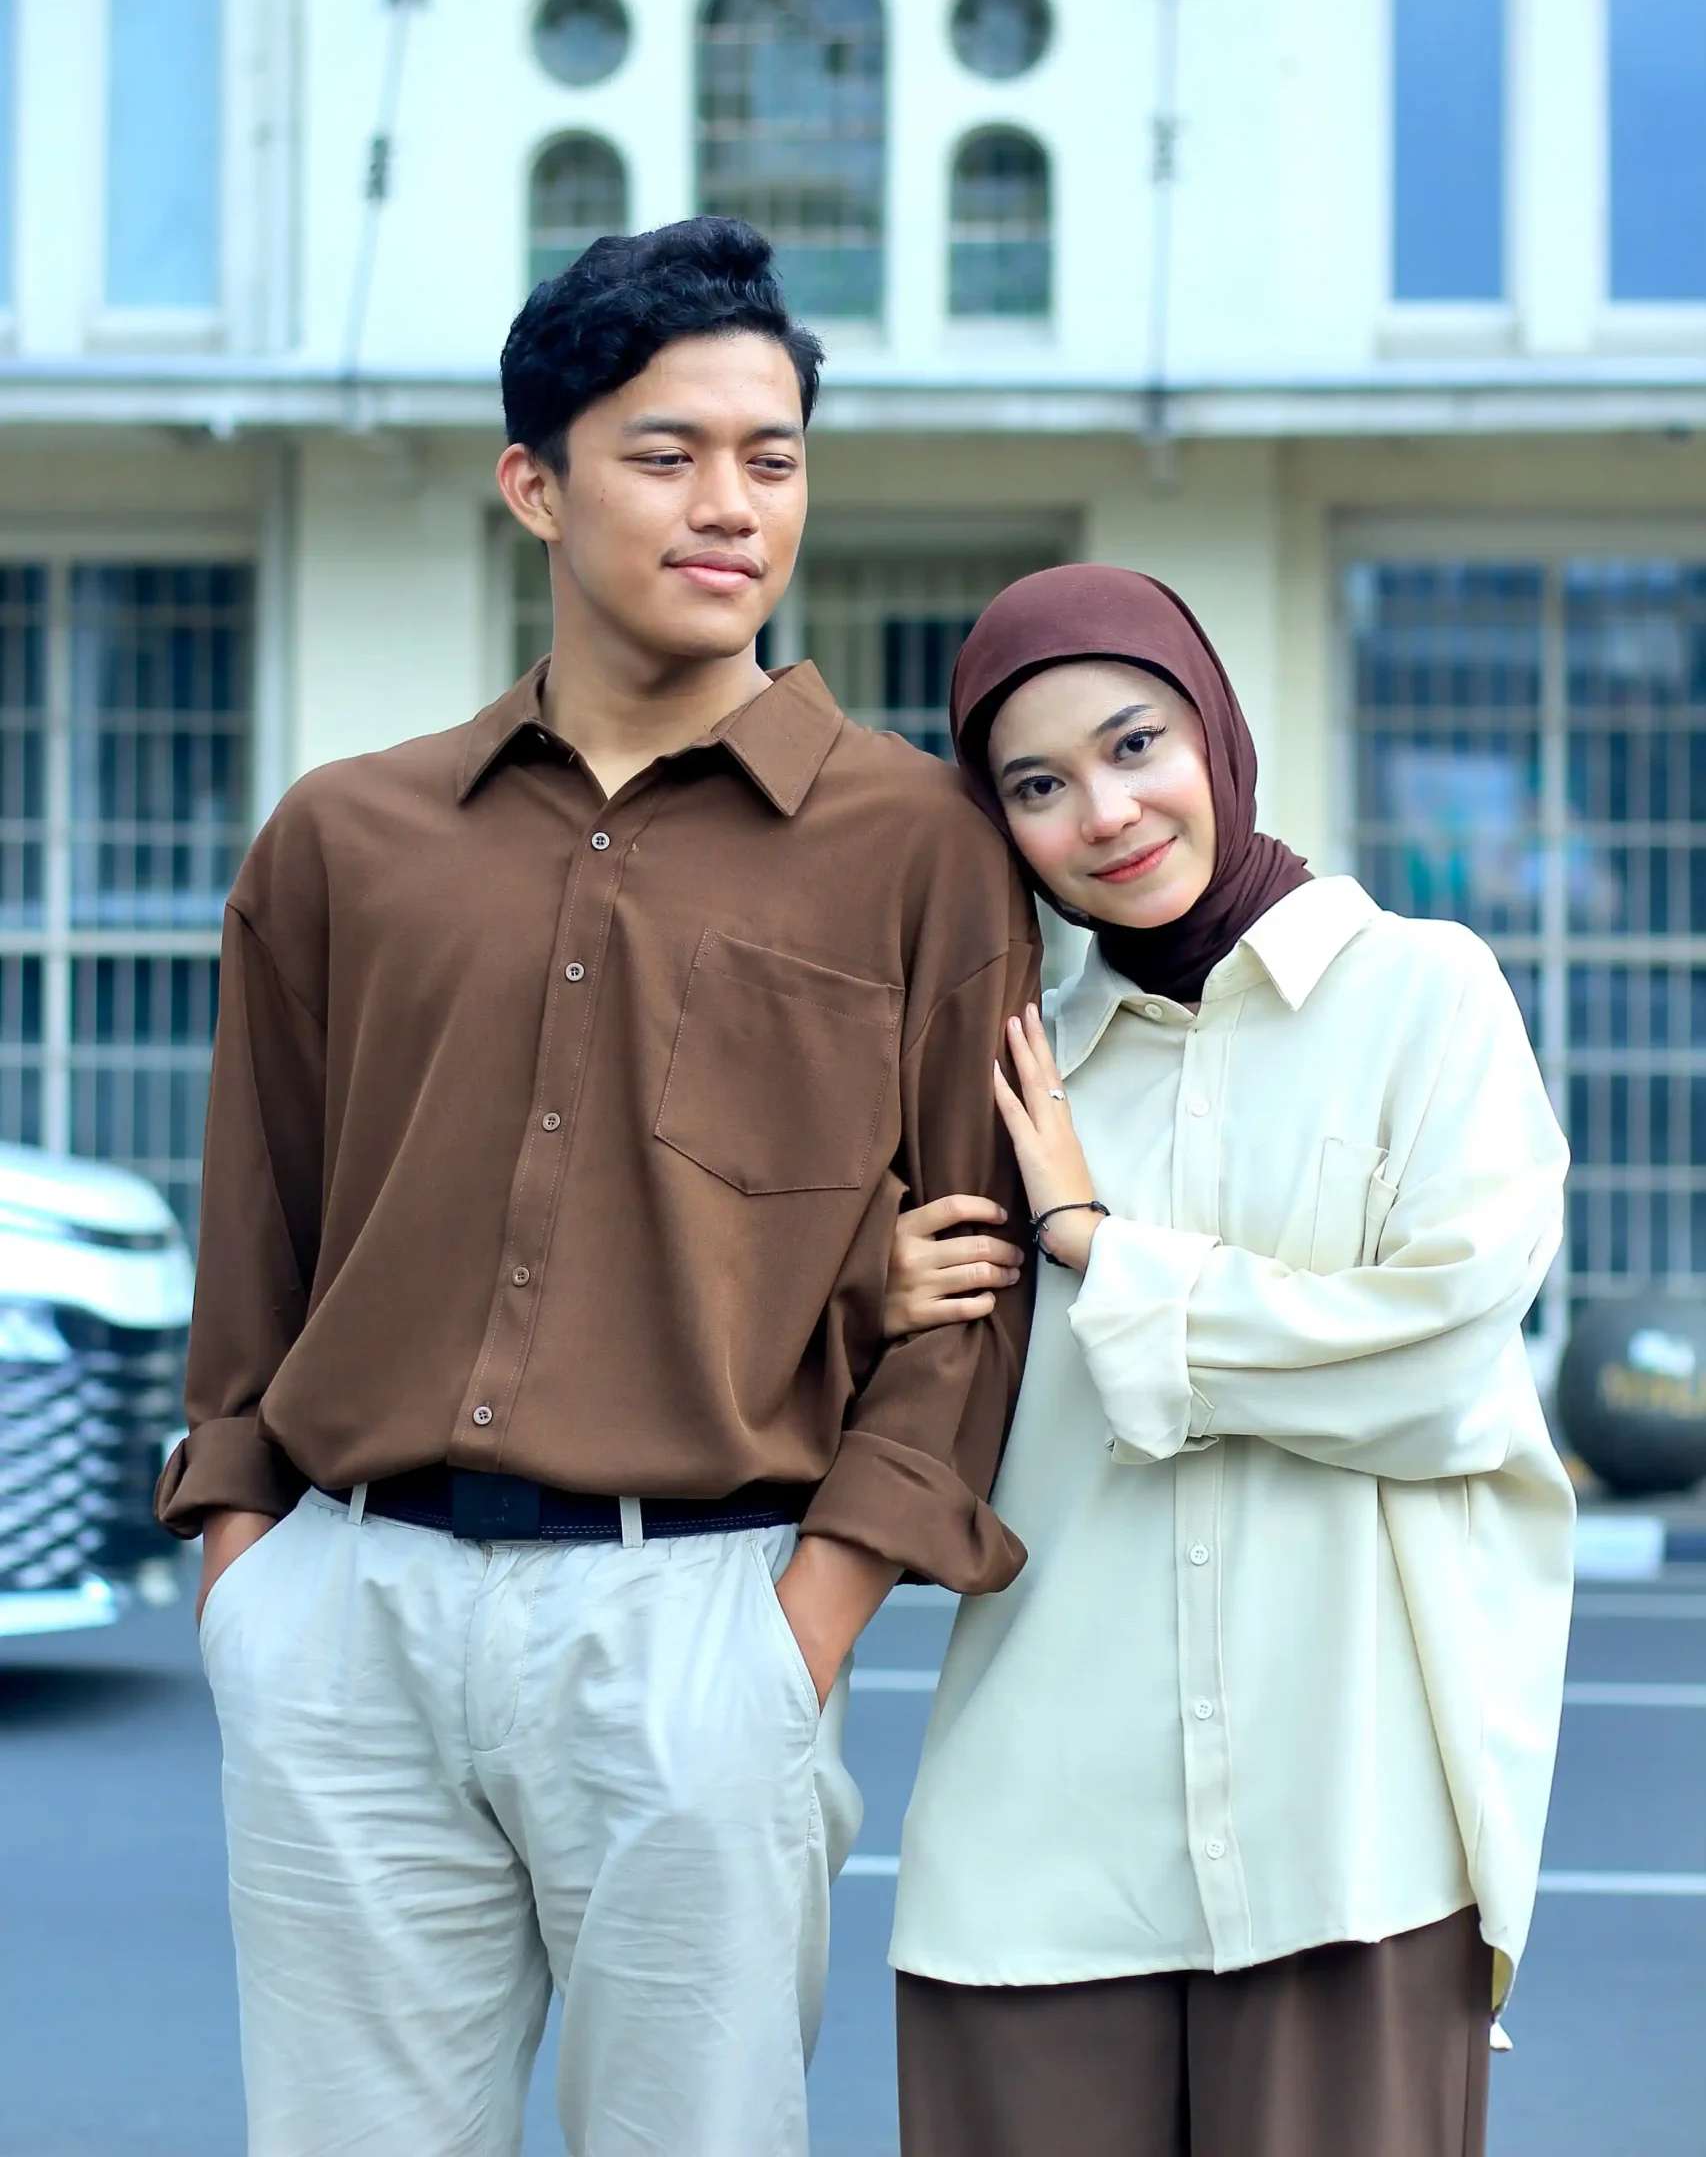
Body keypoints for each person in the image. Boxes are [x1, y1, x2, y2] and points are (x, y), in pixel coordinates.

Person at [156, 217, 1037, 2157]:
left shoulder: (918, 846)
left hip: (702, 1618)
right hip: (347, 1610)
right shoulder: (346, 838)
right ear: (533, 484)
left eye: (771, 456)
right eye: (666, 452)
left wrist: (810, 1618)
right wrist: (246, 1569)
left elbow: (976, 1284)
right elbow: (260, 1225)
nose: (730, 503)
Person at [881, 563, 1574, 2157]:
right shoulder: (1013, 1069)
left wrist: (1100, 1251)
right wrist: (874, 1296)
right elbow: (921, 1414)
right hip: (1034, 1855)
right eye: (1036, 786)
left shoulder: (1423, 996)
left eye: (1136, 745)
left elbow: (1430, 1365)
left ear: (1215, 731)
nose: (1106, 814)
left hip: (1354, 1840)